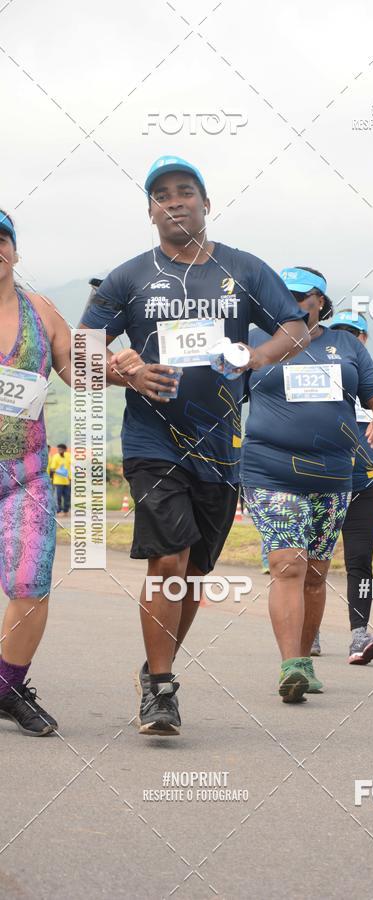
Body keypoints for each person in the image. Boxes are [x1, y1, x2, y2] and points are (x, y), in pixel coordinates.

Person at [79, 156, 309, 736]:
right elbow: (78, 359)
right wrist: (121, 372)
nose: (174, 201)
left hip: (221, 447)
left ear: (207, 203)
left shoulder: (244, 271)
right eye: (161, 195)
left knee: (192, 576)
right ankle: (161, 689)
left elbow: (295, 326)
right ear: (150, 211)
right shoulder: (126, 280)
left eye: (185, 192)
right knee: (168, 561)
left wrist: (254, 358)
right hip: (153, 440)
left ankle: (157, 671)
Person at [0, 210, 138, 736]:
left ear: (15, 250)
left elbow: (77, 371)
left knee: (30, 586)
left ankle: (7, 686)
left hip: (27, 477)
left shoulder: (40, 311)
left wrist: (120, 369)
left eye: (2, 239)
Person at [241, 267, 373, 703]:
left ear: (321, 303)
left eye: (301, 296)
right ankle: (290, 664)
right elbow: (220, 390)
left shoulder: (345, 346)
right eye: (283, 296)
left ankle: (304, 660)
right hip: (269, 470)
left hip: (331, 475)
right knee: (288, 562)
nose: (291, 303)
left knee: (315, 572)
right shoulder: (255, 342)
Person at [311, 310, 373, 664]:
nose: (350, 338)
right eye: (342, 331)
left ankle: (359, 635)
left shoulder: (372, 387)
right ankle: (308, 631)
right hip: (323, 484)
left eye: (357, 333)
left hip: (363, 486)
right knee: (315, 561)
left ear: (364, 340)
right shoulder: (322, 378)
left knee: (360, 561)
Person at [49, 442, 71, 515]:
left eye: (61, 450)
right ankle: (58, 511)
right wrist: (51, 478)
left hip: (67, 480)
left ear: (65, 450)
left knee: (67, 496)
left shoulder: (69, 456)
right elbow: (52, 469)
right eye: (58, 450)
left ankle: (66, 511)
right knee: (58, 497)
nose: (59, 451)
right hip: (58, 481)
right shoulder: (55, 457)